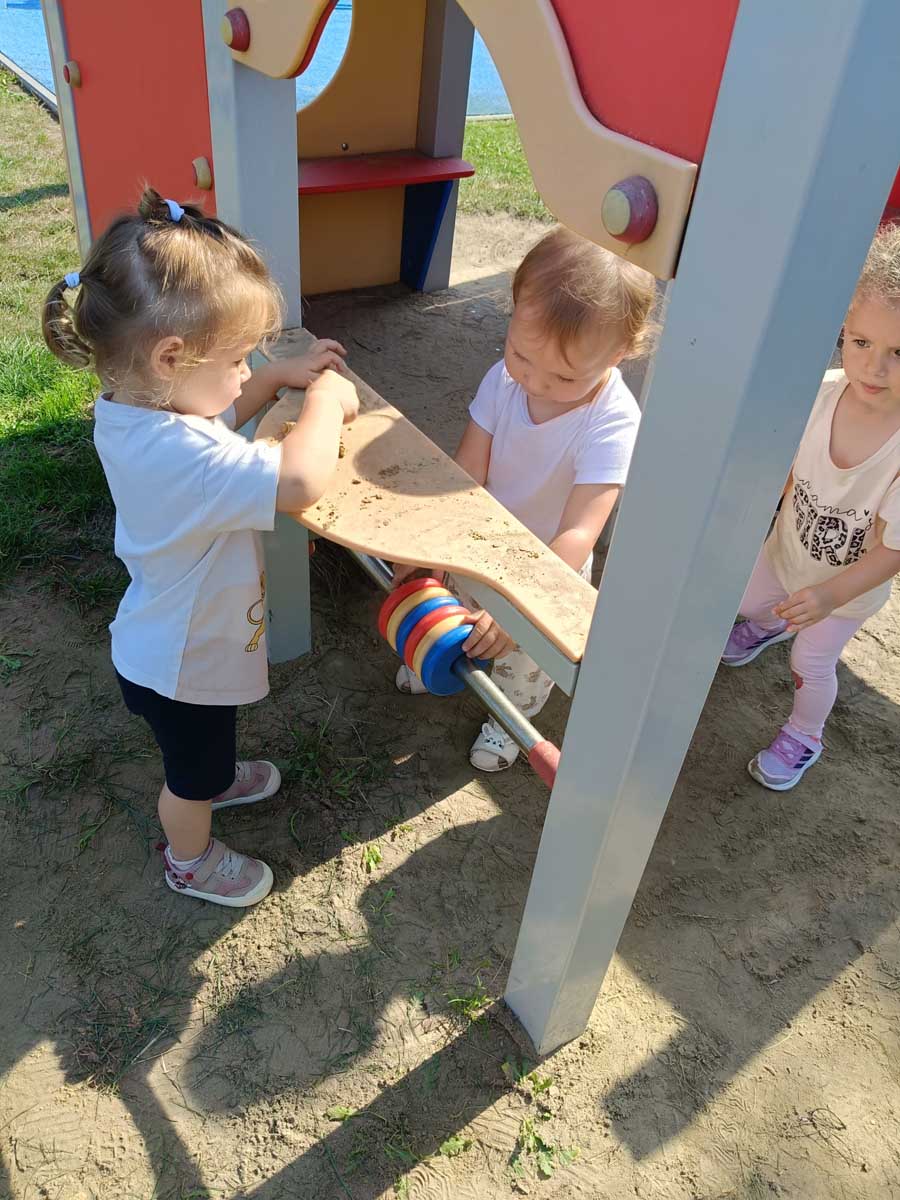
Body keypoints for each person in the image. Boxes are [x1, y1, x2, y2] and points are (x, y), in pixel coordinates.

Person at [42, 188, 358, 905]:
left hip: (166, 643)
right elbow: (301, 480)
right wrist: (324, 404)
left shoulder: (135, 412)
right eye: (240, 359)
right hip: (184, 666)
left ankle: (215, 774)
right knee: (187, 777)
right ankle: (190, 857)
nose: (246, 372)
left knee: (206, 745)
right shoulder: (183, 457)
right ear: (171, 357)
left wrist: (270, 381)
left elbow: (212, 419)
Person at [394, 225, 656, 771]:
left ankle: (509, 718)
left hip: (549, 563)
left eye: (564, 376)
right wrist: (434, 542)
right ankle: (435, 657)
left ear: (620, 354)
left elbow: (580, 531)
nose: (534, 382)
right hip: (483, 534)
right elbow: (468, 470)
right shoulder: (504, 379)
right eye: (520, 353)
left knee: (522, 656)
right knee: (455, 609)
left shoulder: (613, 421)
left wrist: (523, 606)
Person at [722, 222, 900, 790]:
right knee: (746, 601)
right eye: (862, 343)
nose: (874, 367)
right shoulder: (819, 395)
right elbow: (788, 470)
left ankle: (804, 735)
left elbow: (892, 552)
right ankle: (768, 624)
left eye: (899, 352)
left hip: (844, 592)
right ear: (844, 329)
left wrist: (829, 597)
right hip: (787, 555)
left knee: (810, 663)